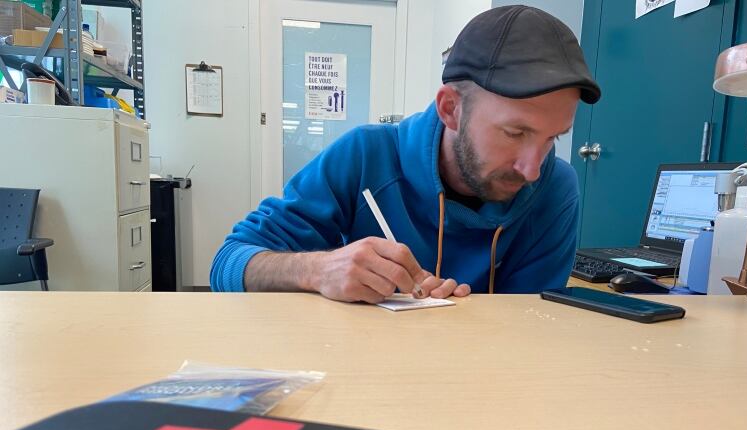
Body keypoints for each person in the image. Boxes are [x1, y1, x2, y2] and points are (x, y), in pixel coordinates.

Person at [211, 5, 601, 302]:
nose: (532, 169)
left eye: (553, 138)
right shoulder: (365, 156)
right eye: (515, 133)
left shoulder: (555, 188)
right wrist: (317, 269)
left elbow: (524, 330)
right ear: (450, 108)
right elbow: (226, 265)